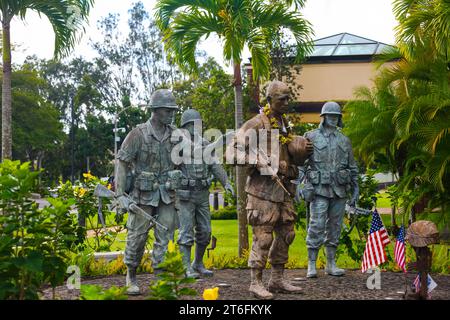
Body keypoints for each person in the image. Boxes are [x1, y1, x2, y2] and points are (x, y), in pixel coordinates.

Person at [226, 80, 312, 300]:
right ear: (269, 100)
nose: (286, 102)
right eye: (281, 98)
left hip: (284, 189)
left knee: (287, 233)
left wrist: (301, 149)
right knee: (263, 238)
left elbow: (289, 152)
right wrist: (254, 160)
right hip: (262, 192)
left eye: (288, 97)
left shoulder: (285, 125)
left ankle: (277, 279)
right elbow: (230, 153)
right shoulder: (255, 124)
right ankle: (256, 282)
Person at [115, 89, 181, 295]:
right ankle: (131, 275)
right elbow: (122, 164)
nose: (171, 114)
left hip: (167, 194)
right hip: (143, 195)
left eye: (173, 111)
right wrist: (119, 195)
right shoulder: (137, 134)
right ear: (155, 110)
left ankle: (161, 276)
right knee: (137, 235)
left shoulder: (175, 134)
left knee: (166, 235)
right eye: (167, 110)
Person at [301, 101, 359, 278]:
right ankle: (311, 264)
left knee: (334, 227)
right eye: (330, 116)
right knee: (316, 225)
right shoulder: (310, 137)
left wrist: (356, 190)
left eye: (336, 117)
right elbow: (302, 165)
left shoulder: (344, 140)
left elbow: (353, 167)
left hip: (339, 190)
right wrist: (301, 185)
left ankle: (331, 264)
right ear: (323, 117)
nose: (333, 119)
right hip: (319, 189)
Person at [175, 109, 235, 278]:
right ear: (185, 126)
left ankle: (198, 263)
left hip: (202, 194)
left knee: (205, 231)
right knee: (186, 232)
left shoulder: (205, 143)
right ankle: (186, 267)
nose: (197, 127)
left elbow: (215, 166)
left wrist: (226, 183)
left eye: (199, 124)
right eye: (193, 124)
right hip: (186, 194)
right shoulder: (179, 144)